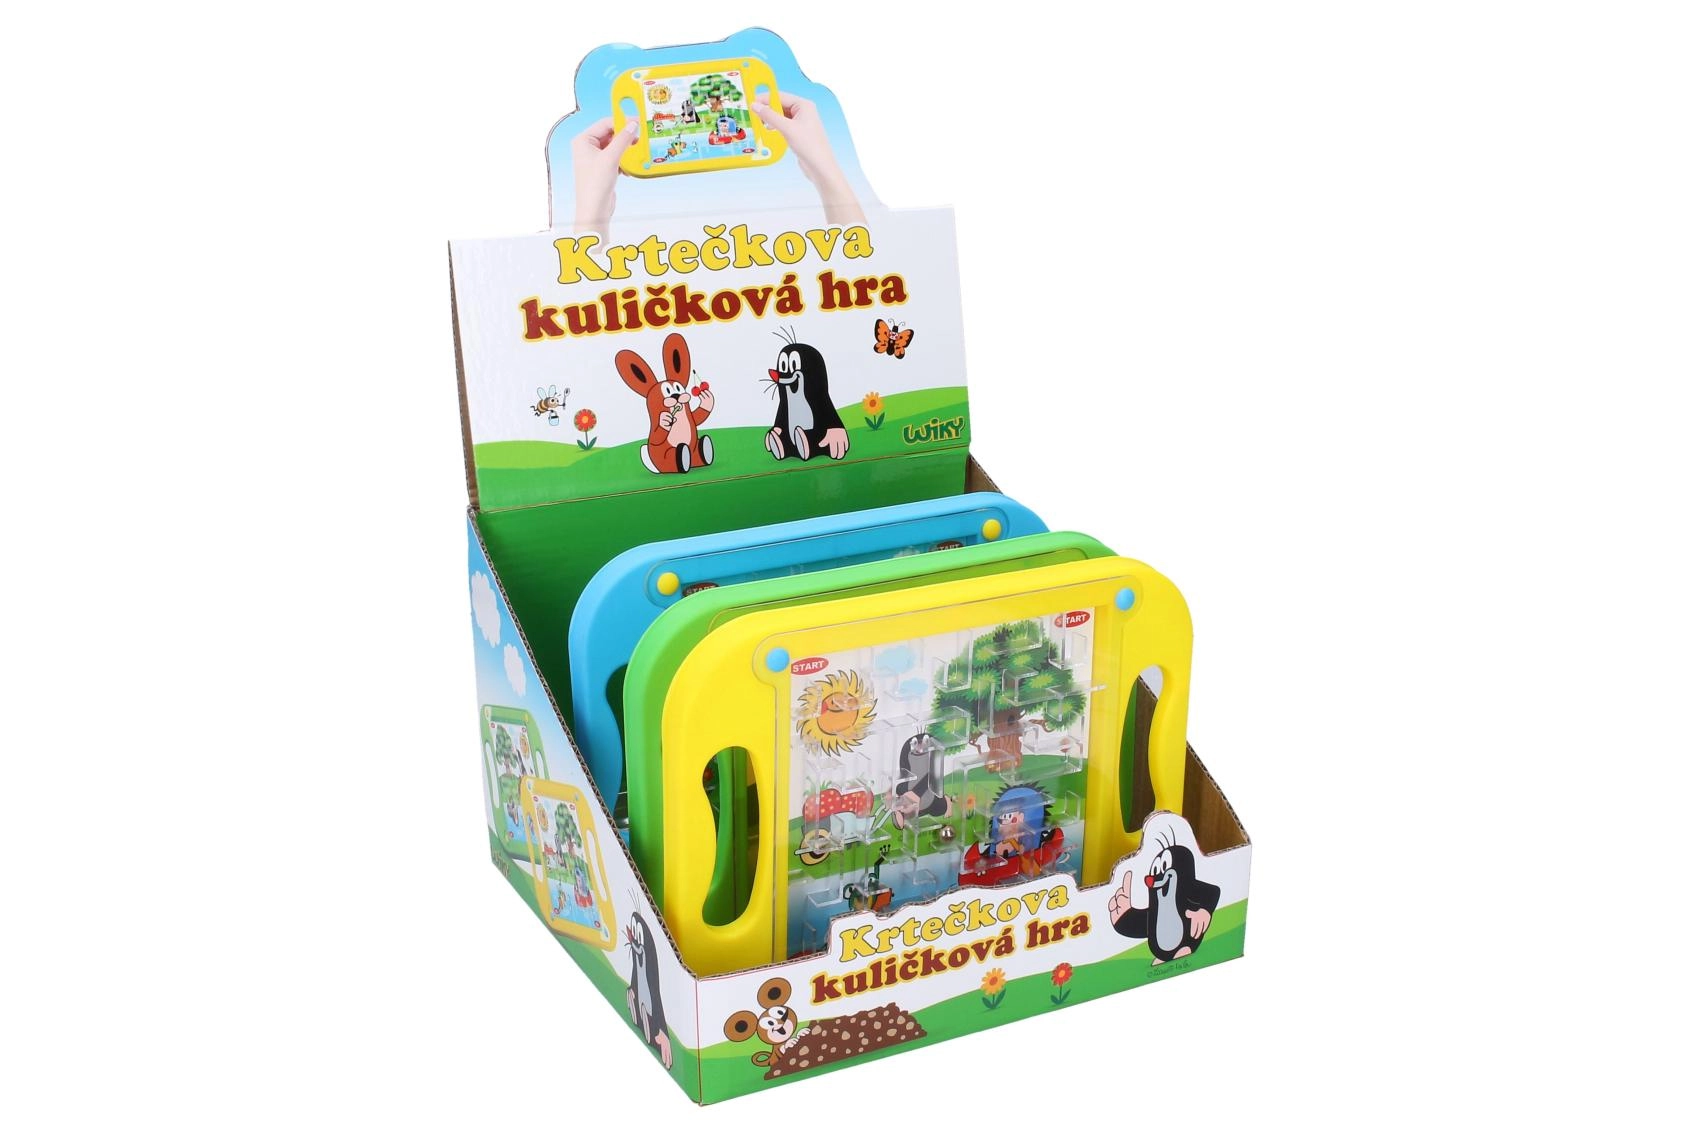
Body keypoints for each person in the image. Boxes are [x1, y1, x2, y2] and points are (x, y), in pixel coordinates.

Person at [570, 92, 866, 236]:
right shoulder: (703, 127)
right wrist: (827, 174)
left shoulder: (728, 127)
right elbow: (862, 262)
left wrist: (592, 213)